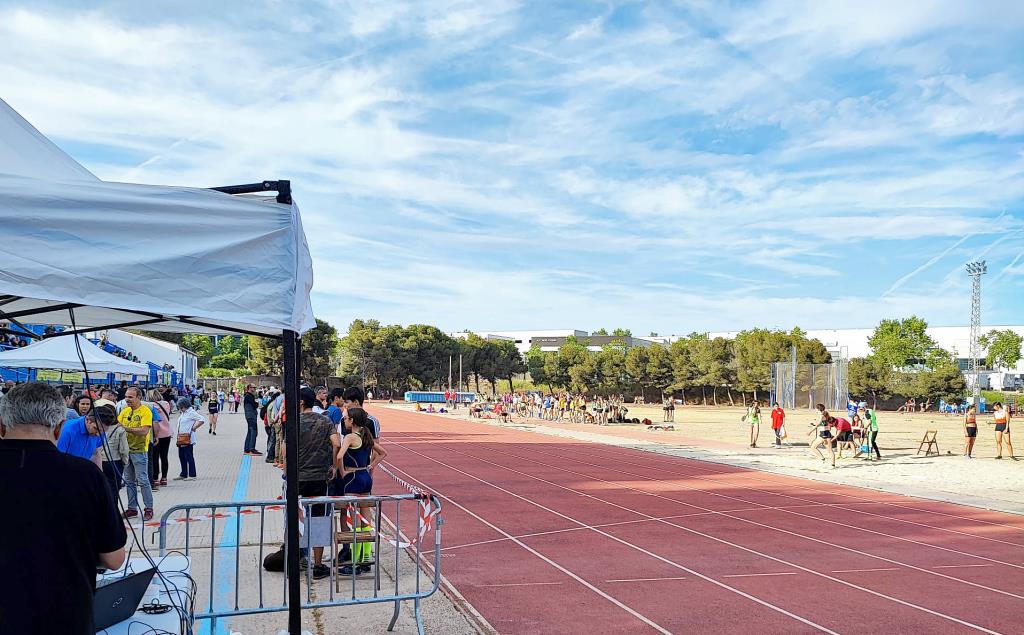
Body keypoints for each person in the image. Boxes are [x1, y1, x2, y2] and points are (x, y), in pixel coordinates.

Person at [0, 382, 127, 635]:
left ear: (2, 426)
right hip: (64, 616)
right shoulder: (86, 476)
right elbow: (114, 559)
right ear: (58, 429)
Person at [286, 388, 340, 580]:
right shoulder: (325, 421)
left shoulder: (293, 422)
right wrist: (333, 465)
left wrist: (287, 470)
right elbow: (336, 442)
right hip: (319, 478)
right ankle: (318, 565)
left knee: (295, 518)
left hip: (297, 479)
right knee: (319, 520)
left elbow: (285, 448)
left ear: (301, 402)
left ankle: (295, 560)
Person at [336, 406, 388, 575]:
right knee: (366, 522)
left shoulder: (350, 437)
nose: (344, 420)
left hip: (353, 479)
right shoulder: (366, 436)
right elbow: (383, 453)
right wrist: (370, 466)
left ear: (352, 421)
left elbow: (338, 456)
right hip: (366, 479)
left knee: (355, 524)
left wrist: (342, 472)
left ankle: (356, 563)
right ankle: (366, 559)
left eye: (346, 418)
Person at [118, 386, 155, 521]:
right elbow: (117, 426)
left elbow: (144, 431)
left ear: (139, 397)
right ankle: (132, 508)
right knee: (129, 481)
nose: (127, 399)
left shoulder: (145, 411)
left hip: (139, 451)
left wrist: (126, 428)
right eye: (126, 396)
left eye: (130, 397)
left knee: (143, 480)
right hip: (126, 451)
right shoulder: (125, 411)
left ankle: (148, 508)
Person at [174, 396, 205, 480]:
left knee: (188, 456)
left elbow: (202, 419)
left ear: (184, 406)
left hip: (187, 438)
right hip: (181, 438)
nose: (180, 409)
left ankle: (192, 474)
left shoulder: (191, 412)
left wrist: (194, 427)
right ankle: (183, 473)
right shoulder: (183, 413)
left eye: (181, 407)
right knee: (182, 456)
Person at [148, 389, 173, 487]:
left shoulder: (150, 406)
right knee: (164, 456)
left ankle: (155, 478)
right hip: (167, 433)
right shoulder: (166, 404)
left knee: (155, 457)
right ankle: (164, 478)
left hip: (156, 434)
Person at [243, 384, 262, 455]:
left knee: (250, 432)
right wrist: (257, 404)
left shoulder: (247, 396)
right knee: (254, 432)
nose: (255, 389)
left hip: (249, 416)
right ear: (249, 388)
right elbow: (254, 405)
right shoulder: (249, 396)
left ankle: (247, 449)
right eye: (254, 387)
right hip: (251, 416)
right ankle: (252, 449)